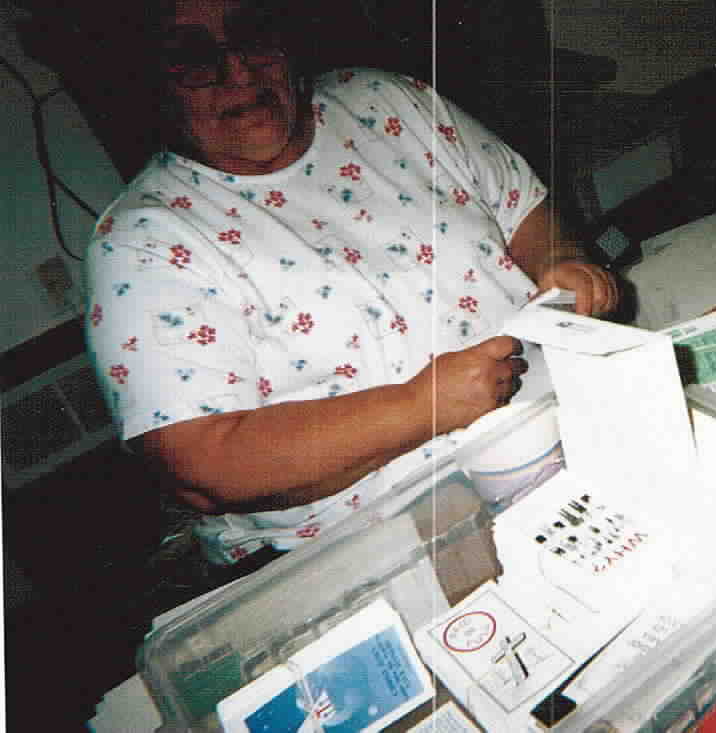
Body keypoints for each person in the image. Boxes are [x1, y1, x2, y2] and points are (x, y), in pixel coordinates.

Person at [84, 0, 619, 570]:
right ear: (148, 80)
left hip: (563, 433)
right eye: (192, 58)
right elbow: (201, 465)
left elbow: (519, 207)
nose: (239, 71)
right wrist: (419, 407)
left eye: (253, 35)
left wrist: (559, 259)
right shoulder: (143, 241)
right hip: (376, 542)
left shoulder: (387, 102)